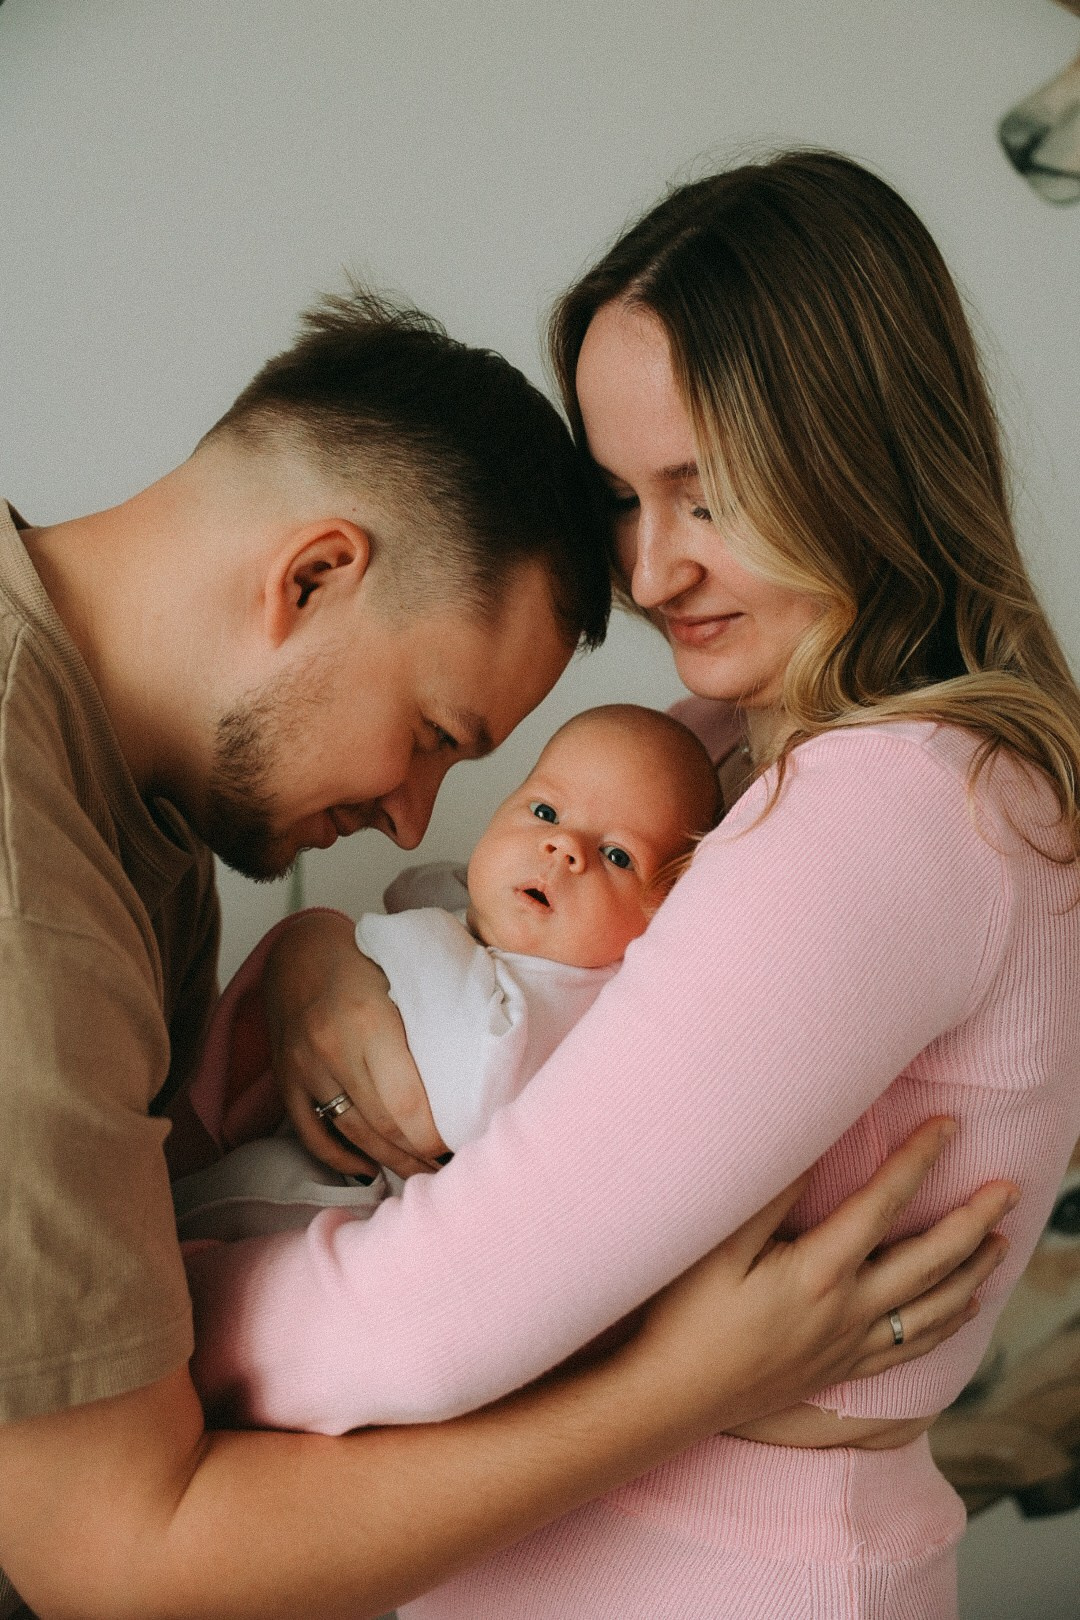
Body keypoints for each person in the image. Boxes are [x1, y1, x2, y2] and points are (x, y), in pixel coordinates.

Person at [0, 283, 1002, 1620]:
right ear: (311, 577)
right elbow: (122, 1566)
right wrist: (688, 1384)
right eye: (435, 735)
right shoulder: (31, 899)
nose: (416, 819)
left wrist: (313, 954)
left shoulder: (130, 800)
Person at [171, 703, 720, 1239]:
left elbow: (462, 1106)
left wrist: (402, 935)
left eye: (618, 855)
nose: (564, 848)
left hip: (342, 1213)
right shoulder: (484, 927)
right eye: (546, 813)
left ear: (660, 916)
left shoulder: (570, 1004)